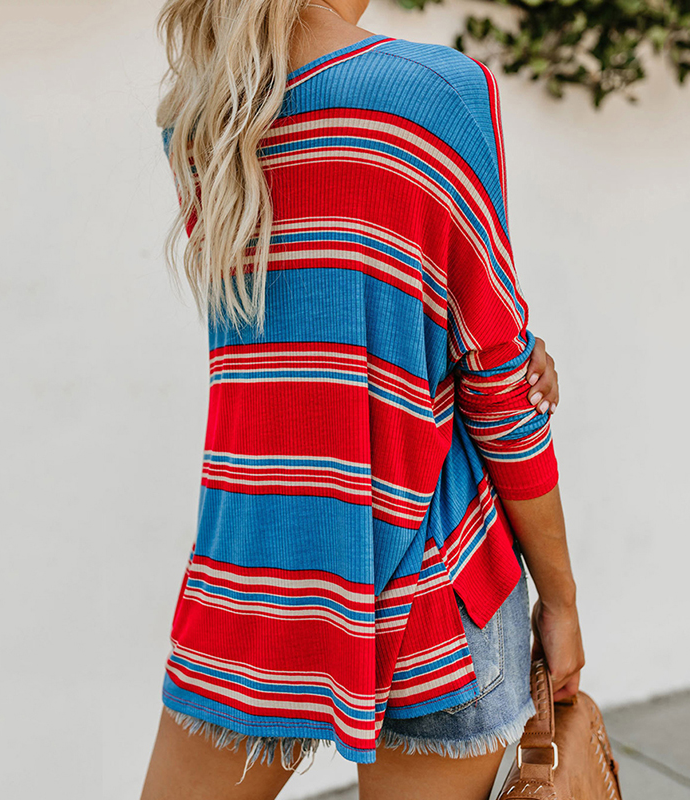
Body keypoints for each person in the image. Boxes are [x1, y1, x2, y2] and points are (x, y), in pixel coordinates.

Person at [141, 1, 584, 798]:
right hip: (437, 590)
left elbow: (314, 343)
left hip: (258, 574)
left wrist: (481, 345)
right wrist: (561, 600)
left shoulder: (205, 117)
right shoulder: (434, 93)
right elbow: (497, 387)